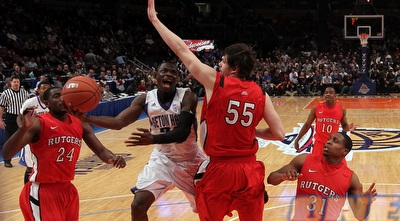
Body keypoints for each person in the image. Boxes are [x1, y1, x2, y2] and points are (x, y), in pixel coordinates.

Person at [147, 1, 285, 220]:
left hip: (220, 169)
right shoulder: (261, 94)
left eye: (222, 61)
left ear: (234, 67)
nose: (219, 65)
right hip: (249, 169)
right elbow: (279, 134)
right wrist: (254, 132)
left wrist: (155, 20)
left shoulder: (217, 83)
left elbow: (182, 49)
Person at [74, 62, 207, 221]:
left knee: (206, 209)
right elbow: (119, 122)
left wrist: (153, 138)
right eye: (164, 71)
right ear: (155, 76)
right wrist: (87, 118)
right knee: (138, 205)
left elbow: (183, 133)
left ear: (178, 78)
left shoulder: (187, 96)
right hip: (162, 160)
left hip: (191, 161)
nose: (169, 74)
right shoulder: (145, 99)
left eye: (173, 72)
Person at [1, 87, 126, 221]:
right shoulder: (39, 122)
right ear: (46, 103)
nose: (61, 98)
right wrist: (23, 128)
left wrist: (113, 158)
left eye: (64, 96)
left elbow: (101, 151)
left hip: (68, 190)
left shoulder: (80, 123)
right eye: (56, 96)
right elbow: (7, 153)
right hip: (43, 190)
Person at [267, 132, 377, 221]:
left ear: (345, 151)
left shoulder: (351, 179)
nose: (328, 142)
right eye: (329, 139)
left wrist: (366, 204)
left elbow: (359, 215)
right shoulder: (304, 160)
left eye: (335, 141)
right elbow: (271, 179)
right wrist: (282, 176)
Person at [294, 87, 355, 155]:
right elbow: (307, 125)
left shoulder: (341, 109)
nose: (328, 94)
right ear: (324, 95)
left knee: (333, 165)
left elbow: (344, 126)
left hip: (333, 144)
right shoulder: (316, 108)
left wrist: (348, 128)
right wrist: (297, 139)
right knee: (316, 165)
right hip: (318, 143)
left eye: (331, 93)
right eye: (326, 93)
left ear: (335, 95)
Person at [19, 81, 51, 183]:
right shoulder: (30, 103)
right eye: (43, 88)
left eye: (48, 88)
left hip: (47, 139)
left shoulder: (53, 103)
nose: (46, 90)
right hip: (31, 139)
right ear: (38, 90)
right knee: (30, 167)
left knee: (47, 166)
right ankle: (27, 192)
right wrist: (23, 130)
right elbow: (20, 117)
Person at [0, 75, 30, 167]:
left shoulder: (24, 93)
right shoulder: (5, 93)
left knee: (26, 138)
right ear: (11, 83)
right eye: (14, 82)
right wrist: (0, 120)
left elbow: (28, 107)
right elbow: (1, 107)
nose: (16, 84)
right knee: (9, 139)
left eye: (18, 82)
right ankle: (7, 160)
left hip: (22, 117)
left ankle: (27, 159)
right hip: (11, 117)